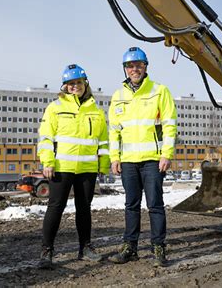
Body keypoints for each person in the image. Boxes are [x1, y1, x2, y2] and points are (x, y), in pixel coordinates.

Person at [108, 47, 177, 267]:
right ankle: (130, 247)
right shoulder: (118, 96)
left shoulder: (159, 91)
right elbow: (114, 131)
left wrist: (166, 154)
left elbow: (169, 125)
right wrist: (114, 157)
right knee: (131, 205)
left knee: (155, 204)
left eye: (139, 65)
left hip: (152, 160)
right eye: (130, 65)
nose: (134, 69)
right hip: (128, 161)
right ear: (125, 69)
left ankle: (158, 247)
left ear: (145, 67)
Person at [37, 64, 110, 269]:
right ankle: (47, 251)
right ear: (65, 86)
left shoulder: (96, 110)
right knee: (55, 208)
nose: (75, 86)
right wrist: (48, 162)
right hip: (61, 167)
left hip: (87, 169)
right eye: (71, 83)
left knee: (84, 209)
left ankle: (85, 248)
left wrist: (103, 164)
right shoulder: (55, 107)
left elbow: (103, 141)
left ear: (85, 83)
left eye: (78, 82)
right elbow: (45, 138)